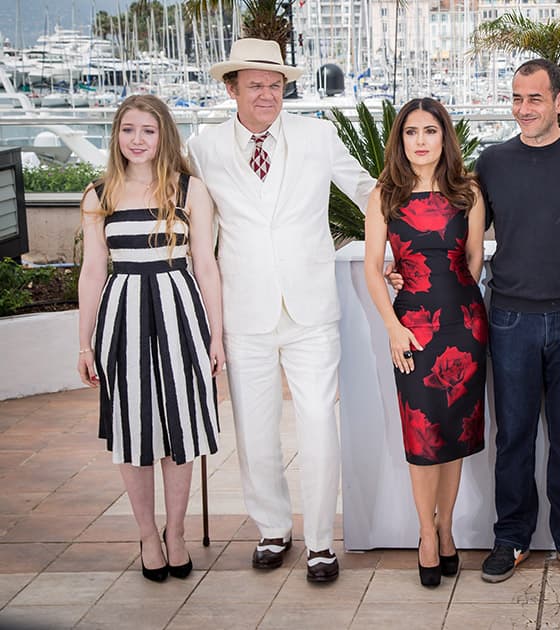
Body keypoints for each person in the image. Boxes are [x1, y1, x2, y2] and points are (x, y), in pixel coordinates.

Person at [187, 38, 375, 583]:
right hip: (243, 311)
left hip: (312, 307)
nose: (267, 94)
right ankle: (272, 527)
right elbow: (190, 219)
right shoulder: (205, 147)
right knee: (255, 427)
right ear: (232, 89)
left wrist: (423, 220)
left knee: (318, 422)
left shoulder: (318, 135)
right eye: (255, 85)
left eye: (275, 84)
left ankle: (320, 542)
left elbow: (366, 190)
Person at [77, 94, 224, 582]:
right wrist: (85, 342)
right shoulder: (99, 195)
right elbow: (93, 269)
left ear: (164, 136)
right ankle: (147, 535)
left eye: (147, 130)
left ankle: (176, 532)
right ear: (116, 136)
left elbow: (206, 264)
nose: (137, 140)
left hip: (180, 311)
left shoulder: (189, 191)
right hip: (122, 317)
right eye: (127, 130)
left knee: (178, 431)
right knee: (134, 431)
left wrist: (215, 338)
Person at [477, 59, 560, 585]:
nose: (523, 109)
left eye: (534, 98)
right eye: (516, 98)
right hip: (510, 318)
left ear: (559, 100)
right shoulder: (492, 163)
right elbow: (461, 233)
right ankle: (510, 537)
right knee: (512, 435)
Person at [363, 98, 487, 587]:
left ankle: (449, 528)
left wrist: (460, 309)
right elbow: (375, 269)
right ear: (400, 139)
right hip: (410, 329)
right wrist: (394, 326)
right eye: (411, 131)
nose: (420, 141)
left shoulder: (468, 190)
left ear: (444, 137)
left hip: (466, 325)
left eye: (429, 131)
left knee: (455, 433)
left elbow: (474, 259)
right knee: (423, 434)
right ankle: (425, 535)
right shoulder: (386, 194)